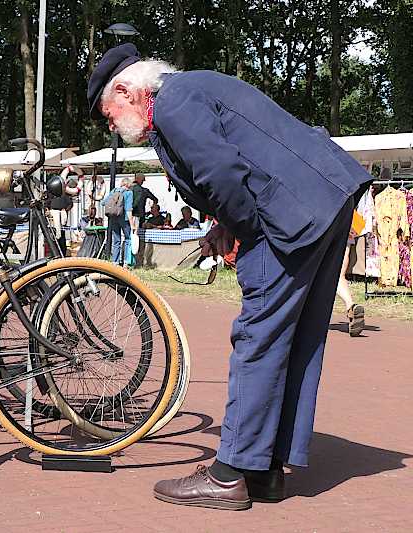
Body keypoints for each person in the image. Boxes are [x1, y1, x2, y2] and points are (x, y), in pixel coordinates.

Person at [88, 43, 373, 510]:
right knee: (294, 340)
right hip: (324, 198)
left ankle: (228, 475)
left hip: (289, 217)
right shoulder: (195, 86)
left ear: (126, 90)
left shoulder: (173, 104)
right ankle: (264, 471)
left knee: (258, 337)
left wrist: (241, 230)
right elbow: (244, 159)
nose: (113, 125)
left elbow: (222, 171)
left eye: (110, 113)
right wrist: (224, 222)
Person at [101, 177, 134, 265]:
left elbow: (103, 202)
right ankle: (126, 262)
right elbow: (128, 209)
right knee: (128, 239)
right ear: (128, 185)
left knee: (116, 240)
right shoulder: (129, 193)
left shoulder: (114, 190)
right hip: (124, 219)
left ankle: (115, 262)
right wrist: (132, 224)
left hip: (113, 218)